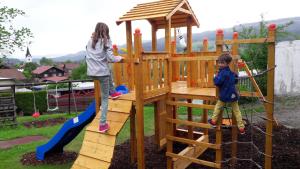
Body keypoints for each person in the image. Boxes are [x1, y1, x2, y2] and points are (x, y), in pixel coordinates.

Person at [86, 22, 123, 133]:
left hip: (92, 72)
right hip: (102, 73)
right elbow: (111, 58)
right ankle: (102, 124)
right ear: (106, 32)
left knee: (108, 70)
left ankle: (113, 92)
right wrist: (119, 57)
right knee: (105, 99)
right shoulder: (106, 41)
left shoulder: (90, 41)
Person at [208, 53, 245, 134]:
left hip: (224, 95)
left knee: (218, 107)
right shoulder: (232, 73)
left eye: (222, 63)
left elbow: (218, 82)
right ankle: (241, 127)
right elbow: (236, 80)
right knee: (237, 110)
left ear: (227, 63)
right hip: (233, 94)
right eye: (219, 62)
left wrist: (215, 77)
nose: (220, 64)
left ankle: (213, 121)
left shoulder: (222, 73)